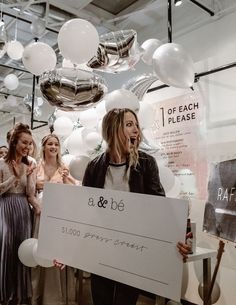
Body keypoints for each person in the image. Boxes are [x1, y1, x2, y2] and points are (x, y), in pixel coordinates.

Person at [82, 108, 190, 305]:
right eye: (129, 124)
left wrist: (178, 239)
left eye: (137, 125)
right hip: (101, 249)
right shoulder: (94, 167)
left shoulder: (147, 164)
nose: (136, 130)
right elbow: (85, 211)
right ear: (113, 129)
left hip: (132, 252)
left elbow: (160, 206)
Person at [31, 134, 77, 305]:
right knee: (42, 251)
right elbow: (31, 188)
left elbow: (73, 190)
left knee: (57, 252)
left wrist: (64, 179)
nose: (53, 147)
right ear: (43, 147)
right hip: (41, 213)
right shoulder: (36, 167)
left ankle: (57, 296)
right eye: (50, 144)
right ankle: (40, 295)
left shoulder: (63, 167)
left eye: (56, 144)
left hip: (59, 214)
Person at [0, 123, 34, 305]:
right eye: (24, 142)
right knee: (7, 248)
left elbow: (30, 193)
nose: (27, 147)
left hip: (22, 208)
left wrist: (29, 176)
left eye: (30, 144)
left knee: (23, 249)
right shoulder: (1, 164)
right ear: (14, 142)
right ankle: (6, 294)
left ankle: (21, 295)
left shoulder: (30, 164)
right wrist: (14, 176)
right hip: (5, 207)